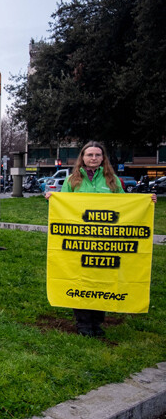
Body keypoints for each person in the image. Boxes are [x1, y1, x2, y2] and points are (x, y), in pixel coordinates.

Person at [45, 141, 156, 337]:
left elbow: (125, 206)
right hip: (79, 242)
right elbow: (64, 207)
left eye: (97, 155)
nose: (94, 158)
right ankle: (83, 324)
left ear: (103, 158)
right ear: (83, 157)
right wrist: (53, 199)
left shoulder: (112, 180)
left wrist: (146, 201)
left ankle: (97, 322)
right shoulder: (72, 180)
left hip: (106, 242)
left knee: (102, 280)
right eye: (90, 155)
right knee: (80, 281)